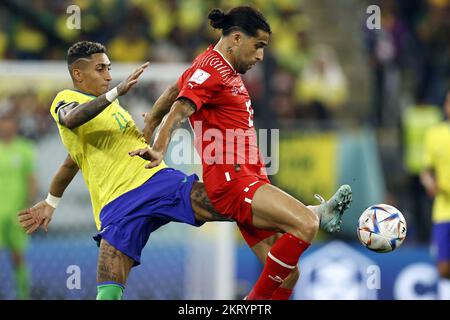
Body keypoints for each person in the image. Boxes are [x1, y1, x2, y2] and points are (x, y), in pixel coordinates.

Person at [130, 6, 352, 300]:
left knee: (288, 275)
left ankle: (315, 212)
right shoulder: (212, 68)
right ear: (236, 38)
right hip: (233, 182)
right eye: (257, 46)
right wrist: (158, 146)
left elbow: (173, 91)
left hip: (249, 178)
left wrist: (149, 125)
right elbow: (180, 106)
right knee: (307, 225)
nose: (260, 56)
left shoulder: (217, 68)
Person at [17, 41, 232, 300]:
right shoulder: (67, 99)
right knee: (109, 292)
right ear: (78, 74)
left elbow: (69, 163)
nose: (108, 75)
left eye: (108, 68)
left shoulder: (114, 110)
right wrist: (116, 92)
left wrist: (51, 201)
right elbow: (71, 124)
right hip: (117, 205)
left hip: (154, 181)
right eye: (100, 69)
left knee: (230, 203)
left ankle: (280, 241)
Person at [0, 108, 37, 299]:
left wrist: (28, 207)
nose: (6, 125)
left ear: (15, 125)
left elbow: (31, 181)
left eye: (9, 121)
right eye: (3, 121)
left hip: (16, 213)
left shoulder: (24, 149)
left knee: (17, 256)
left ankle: (23, 294)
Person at [420, 90, 450, 298]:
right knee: (444, 267)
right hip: (444, 210)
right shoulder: (435, 134)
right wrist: (430, 183)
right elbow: (425, 170)